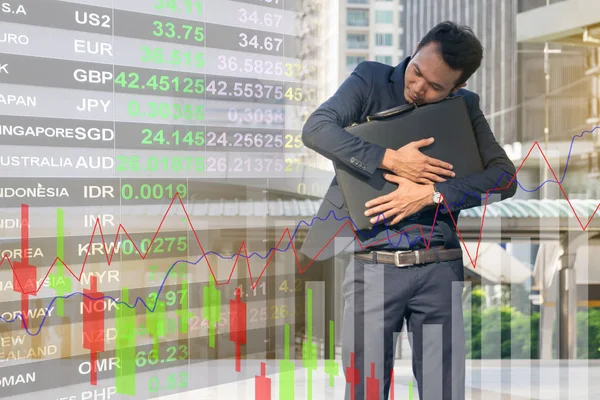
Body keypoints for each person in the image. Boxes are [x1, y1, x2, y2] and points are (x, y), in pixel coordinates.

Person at [299, 21, 517, 400]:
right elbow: (317, 128)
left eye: (435, 87)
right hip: (372, 268)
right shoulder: (370, 80)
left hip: (439, 269)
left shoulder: (464, 107)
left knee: (443, 393)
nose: (418, 87)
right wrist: (390, 160)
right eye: (417, 71)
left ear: (457, 88)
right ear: (415, 50)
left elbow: (504, 179)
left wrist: (432, 194)